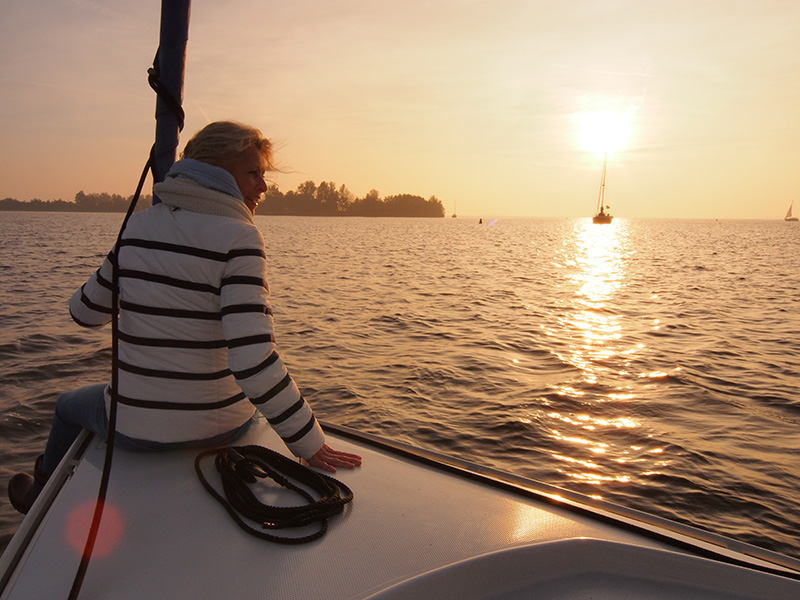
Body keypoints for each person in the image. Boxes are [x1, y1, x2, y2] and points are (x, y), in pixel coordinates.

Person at [8, 121, 361, 514]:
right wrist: (310, 444)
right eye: (254, 173)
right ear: (215, 171)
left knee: (67, 405)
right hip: (225, 427)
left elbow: (84, 313)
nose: (264, 187)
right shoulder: (241, 237)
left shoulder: (138, 226)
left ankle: (39, 495)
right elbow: (253, 360)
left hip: (135, 430)